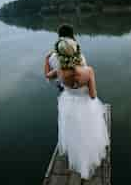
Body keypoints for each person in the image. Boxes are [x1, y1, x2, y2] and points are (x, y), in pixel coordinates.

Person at [44, 24, 109, 179]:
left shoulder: (59, 70)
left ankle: (77, 157)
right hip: (85, 103)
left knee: (73, 131)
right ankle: (89, 157)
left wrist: (47, 59)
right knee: (88, 130)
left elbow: (47, 76)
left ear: (61, 55)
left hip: (68, 103)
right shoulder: (88, 71)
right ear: (76, 52)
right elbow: (93, 95)